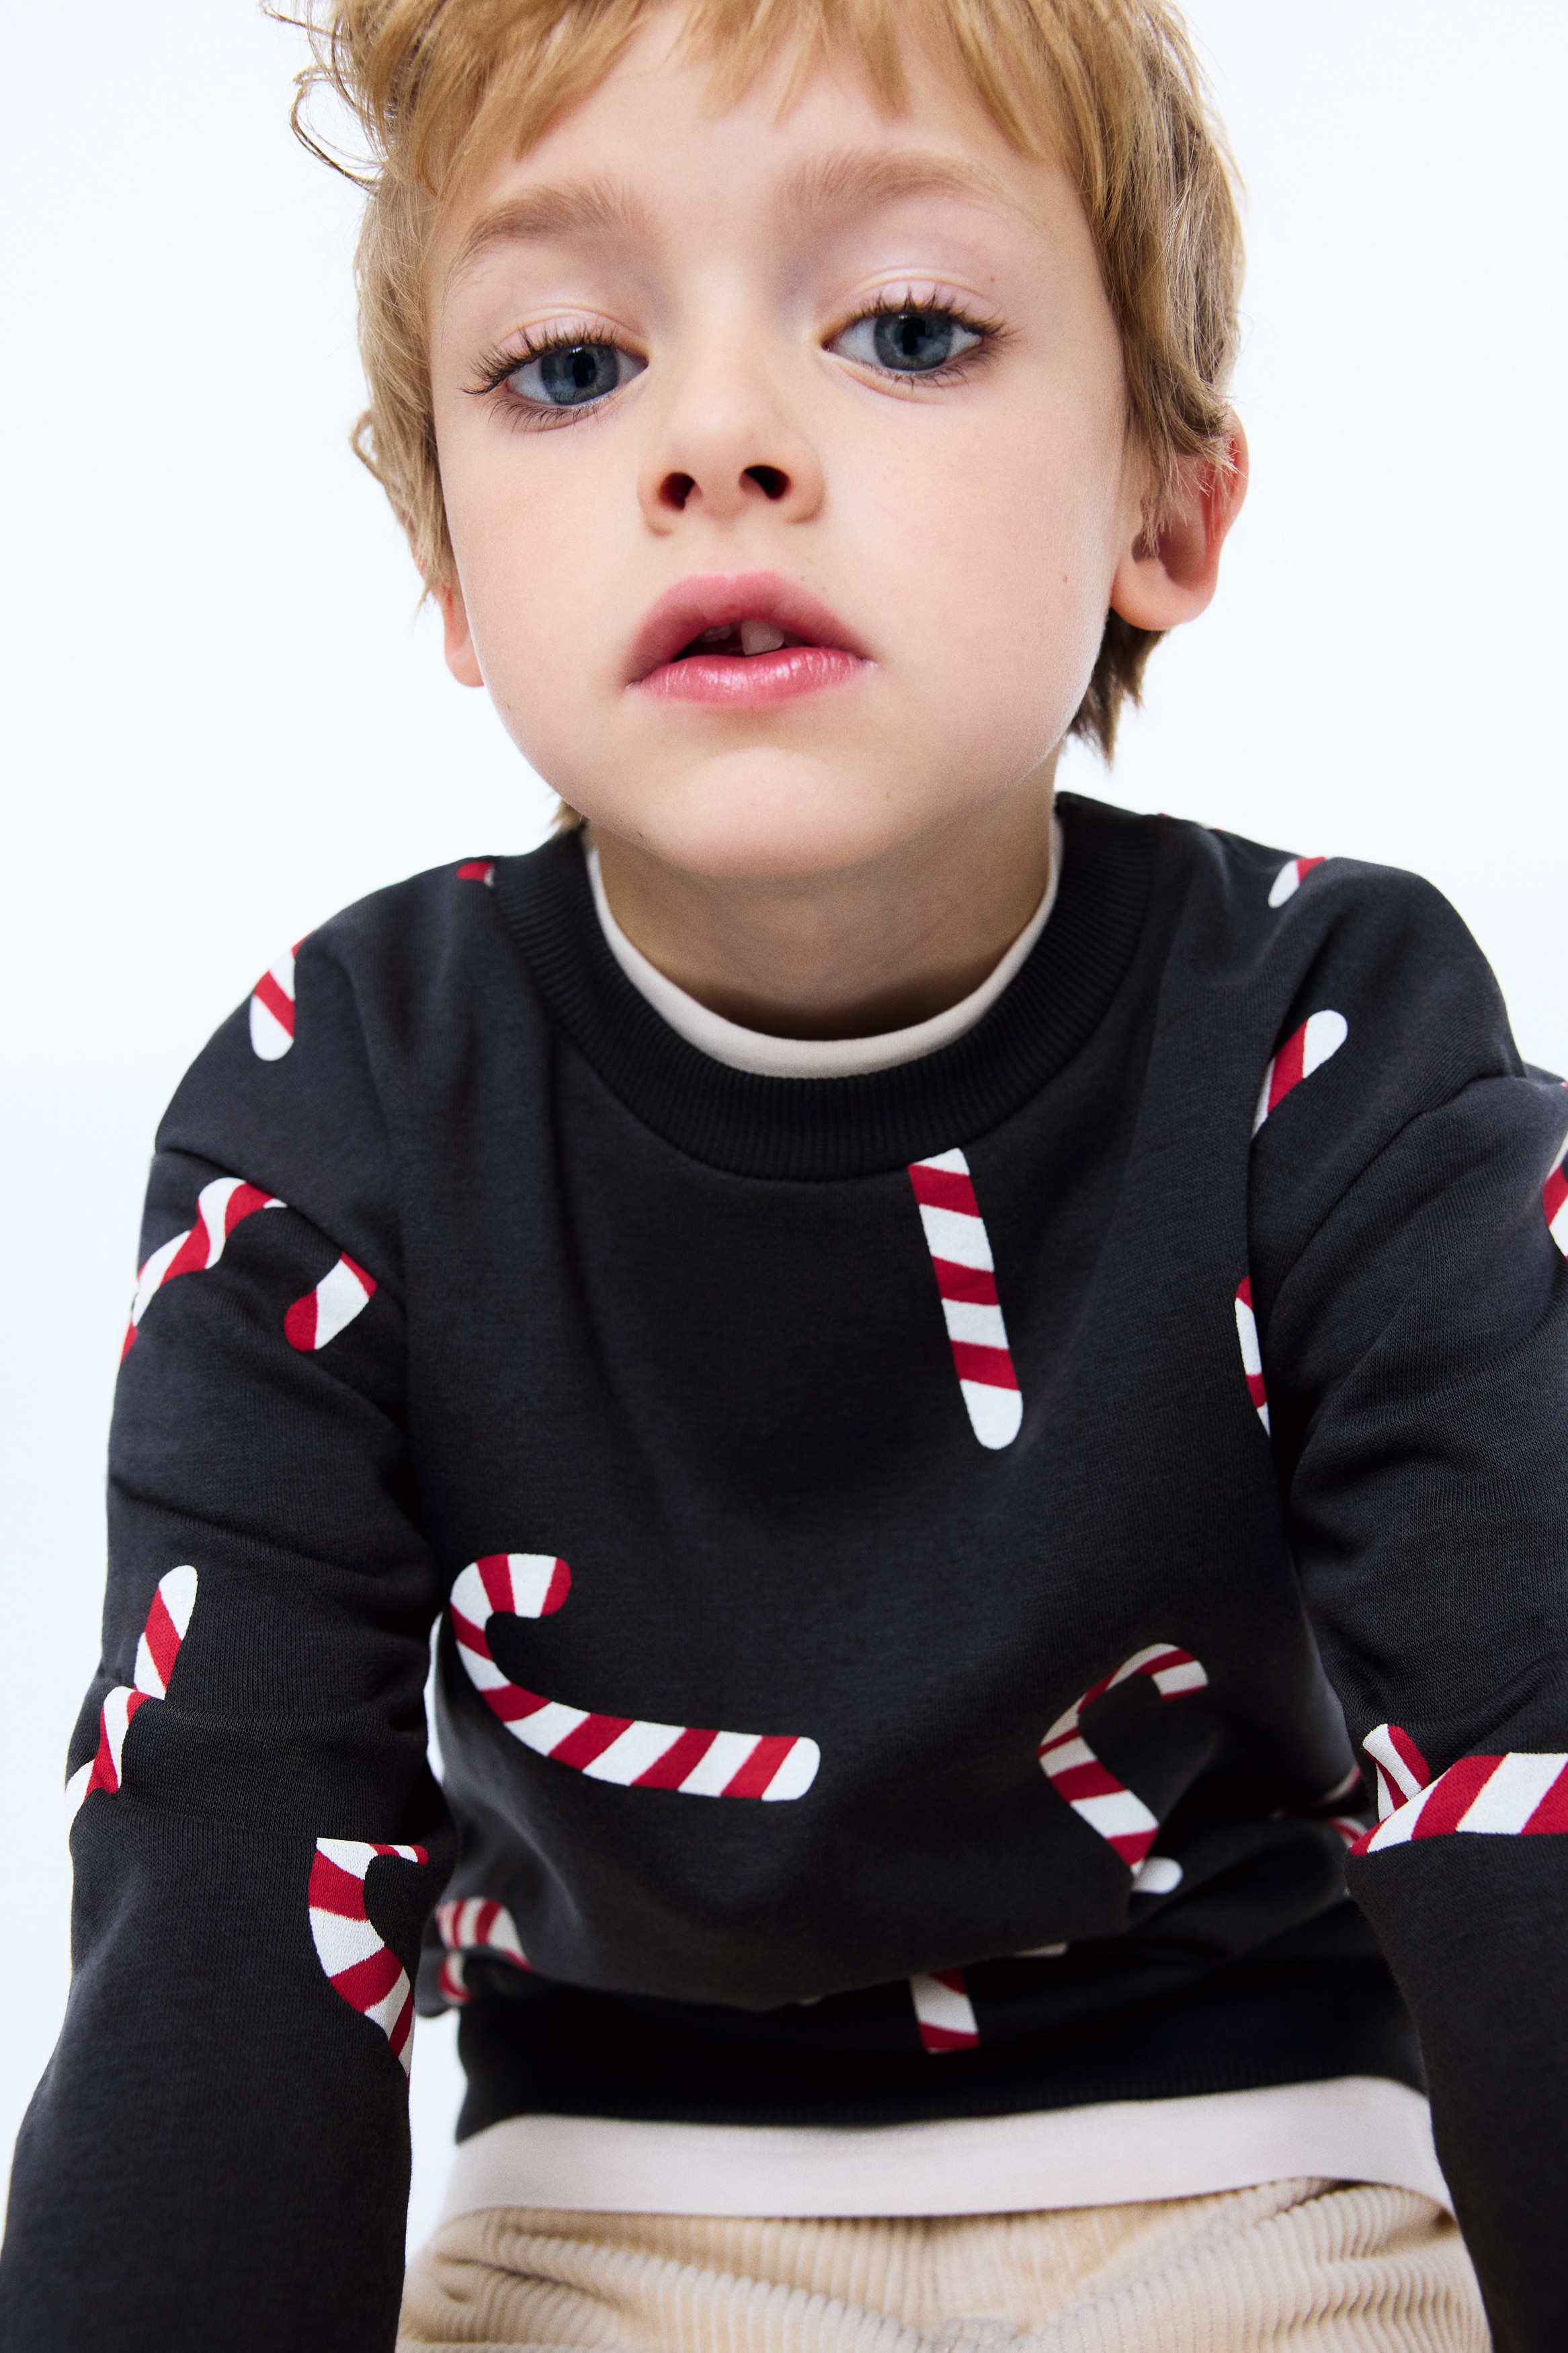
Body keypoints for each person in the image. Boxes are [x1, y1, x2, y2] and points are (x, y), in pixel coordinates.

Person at [1, 0, 1562, 2345]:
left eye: (908, 329)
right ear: (450, 564)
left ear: (1167, 503)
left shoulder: (1334, 1042)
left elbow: (1536, 1764)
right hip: (604, 2222)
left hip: (1275, 2183)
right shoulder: (332, 1112)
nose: (716, 441)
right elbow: (220, 1901)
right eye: (567, 366)